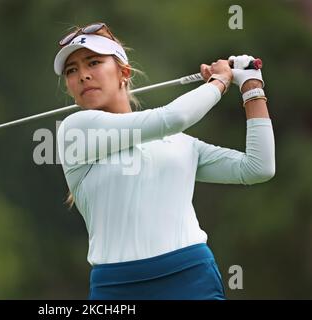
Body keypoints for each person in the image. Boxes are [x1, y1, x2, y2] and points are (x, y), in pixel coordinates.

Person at [54, 22, 275, 300]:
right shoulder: (75, 130)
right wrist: (220, 82)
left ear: (123, 72)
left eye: (93, 63)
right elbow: (173, 118)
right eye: (71, 71)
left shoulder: (180, 143)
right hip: (118, 289)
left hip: (191, 278)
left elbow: (258, 167)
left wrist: (251, 85)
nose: (83, 75)